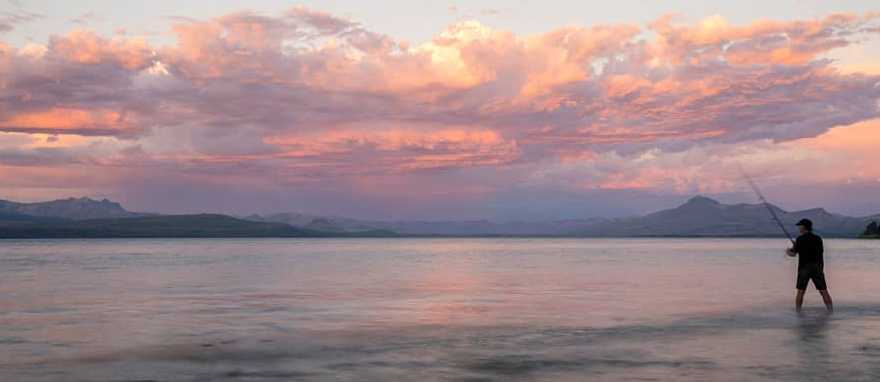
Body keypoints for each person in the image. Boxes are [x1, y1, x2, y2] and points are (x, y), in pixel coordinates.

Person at [786, 218, 833, 313]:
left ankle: (798, 313)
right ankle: (831, 312)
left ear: (804, 227)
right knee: (824, 291)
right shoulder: (818, 238)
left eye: (799, 226)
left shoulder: (800, 239)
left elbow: (793, 254)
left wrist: (788, 250)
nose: (799, 228)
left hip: (804, 268)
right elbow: (819, 251)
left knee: (800, 292)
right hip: (818, 267)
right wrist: (797, 245)